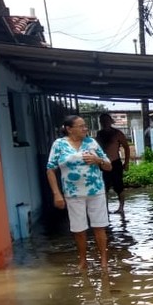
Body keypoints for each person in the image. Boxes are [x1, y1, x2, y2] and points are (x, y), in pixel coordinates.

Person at [46, 115, 113, 271]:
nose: (85, 128)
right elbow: (50, 169)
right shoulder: (59, 144)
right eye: (81, 126)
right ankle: (83, 261)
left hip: (96, 191)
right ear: (69, 129)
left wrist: (98, 160)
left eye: (85, 126)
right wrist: (56, 193)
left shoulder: (91, 143)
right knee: (79, 229)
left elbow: (109, 166)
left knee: (99, 226)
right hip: (72, 193)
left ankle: (103, 261)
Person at [95, 112, 131, 214]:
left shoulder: (117, 133)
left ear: (110, 121)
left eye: (107, 120)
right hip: (102, 163)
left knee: (119, 186)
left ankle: (121, 208)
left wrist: (126, 162)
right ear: (100, 122)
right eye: (103, 121)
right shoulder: (99, 134)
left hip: (115, 163)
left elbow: (126, 148)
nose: (105, 123)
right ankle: (105, 209)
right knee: (103, 187)